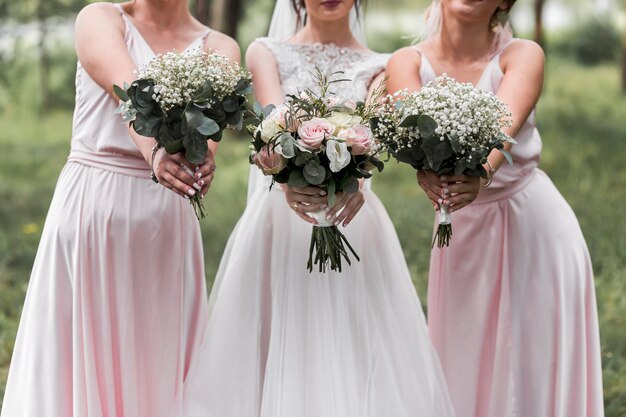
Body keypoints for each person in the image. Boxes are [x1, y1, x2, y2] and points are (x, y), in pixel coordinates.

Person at [182, 0, 456, 416]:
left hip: (354, 220)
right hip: (278, 222)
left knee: (354, 343)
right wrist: (289, 180)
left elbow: (373, 140)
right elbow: (274, 129)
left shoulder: (381, 66)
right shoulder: (264, 52)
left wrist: (355, 183)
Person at [0, 2, 239, 416]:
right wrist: (157, 152)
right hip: (96, 208)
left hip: (166, 222)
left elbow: (206, 140)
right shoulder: (101, 18)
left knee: (158, 356)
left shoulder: (221, 47)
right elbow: (129, 91)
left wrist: (200, 161)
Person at [386, 1, 604, 416]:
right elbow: (415, 138)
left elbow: (504, 128)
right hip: (460, 229)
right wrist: (424, 173)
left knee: (532, 363)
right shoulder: (405, 62)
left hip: (532, 227)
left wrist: (480, 174)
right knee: (463, 356)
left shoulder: (523, 54)